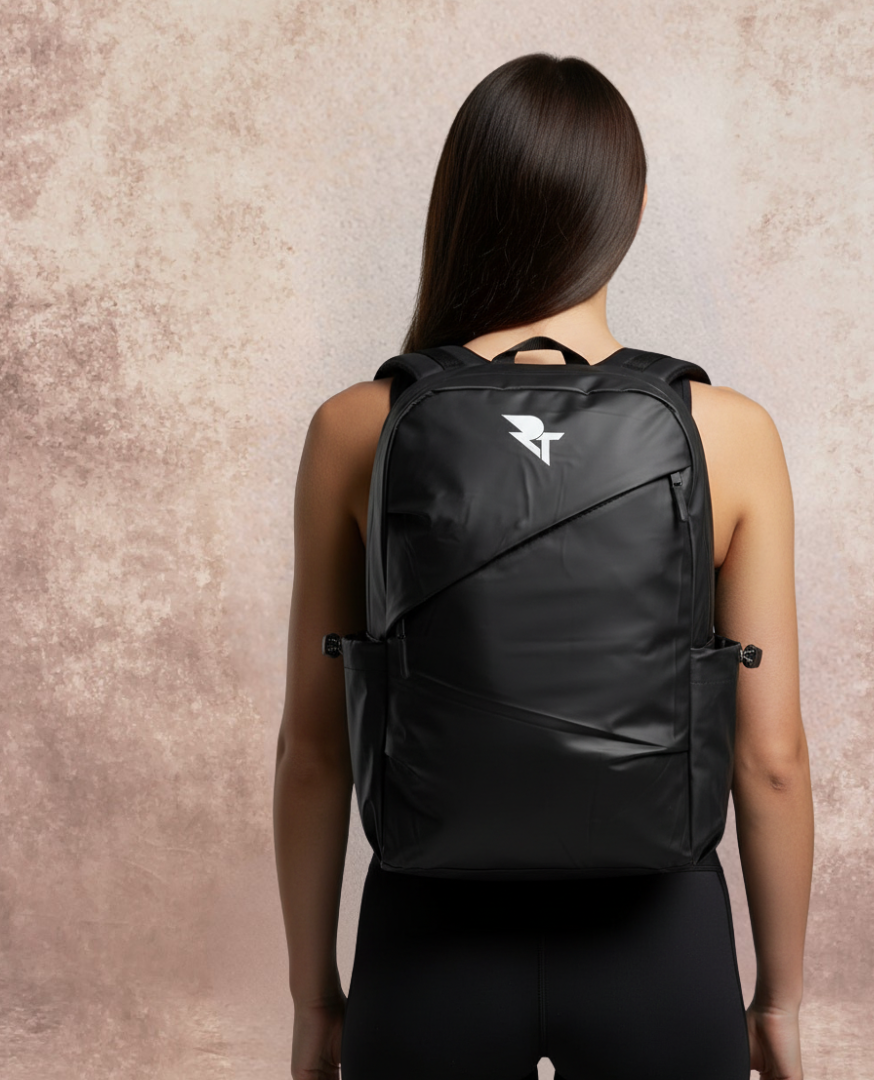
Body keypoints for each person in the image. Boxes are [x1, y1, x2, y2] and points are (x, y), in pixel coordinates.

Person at [274, 53, 813, 1080]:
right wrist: (778, 999)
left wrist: (314, 997)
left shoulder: (357, 427)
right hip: (662, 943)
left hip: (426, 949)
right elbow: (772, 756)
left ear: (458, 205)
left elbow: (313, 752)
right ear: (631, 209)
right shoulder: (728, 432)